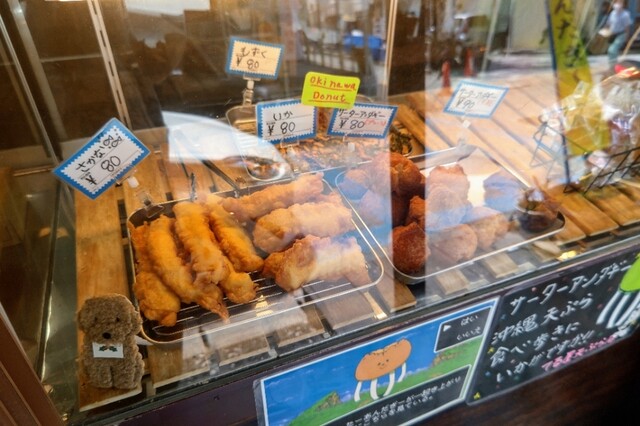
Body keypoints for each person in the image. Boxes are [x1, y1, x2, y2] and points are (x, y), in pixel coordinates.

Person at [606, 0, 632, 70]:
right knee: (610, 51)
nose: (617, 4)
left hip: (621, 34)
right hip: (612, 35)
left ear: (623, 4)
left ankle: (614, 67)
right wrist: (605, 31)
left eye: (620, 2)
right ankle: (612, 66)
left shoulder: (625, 14)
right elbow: (608, 23)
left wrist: (627, 38)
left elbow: (627, 27)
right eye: (616, 2)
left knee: (612, 50)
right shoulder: (612, 13)